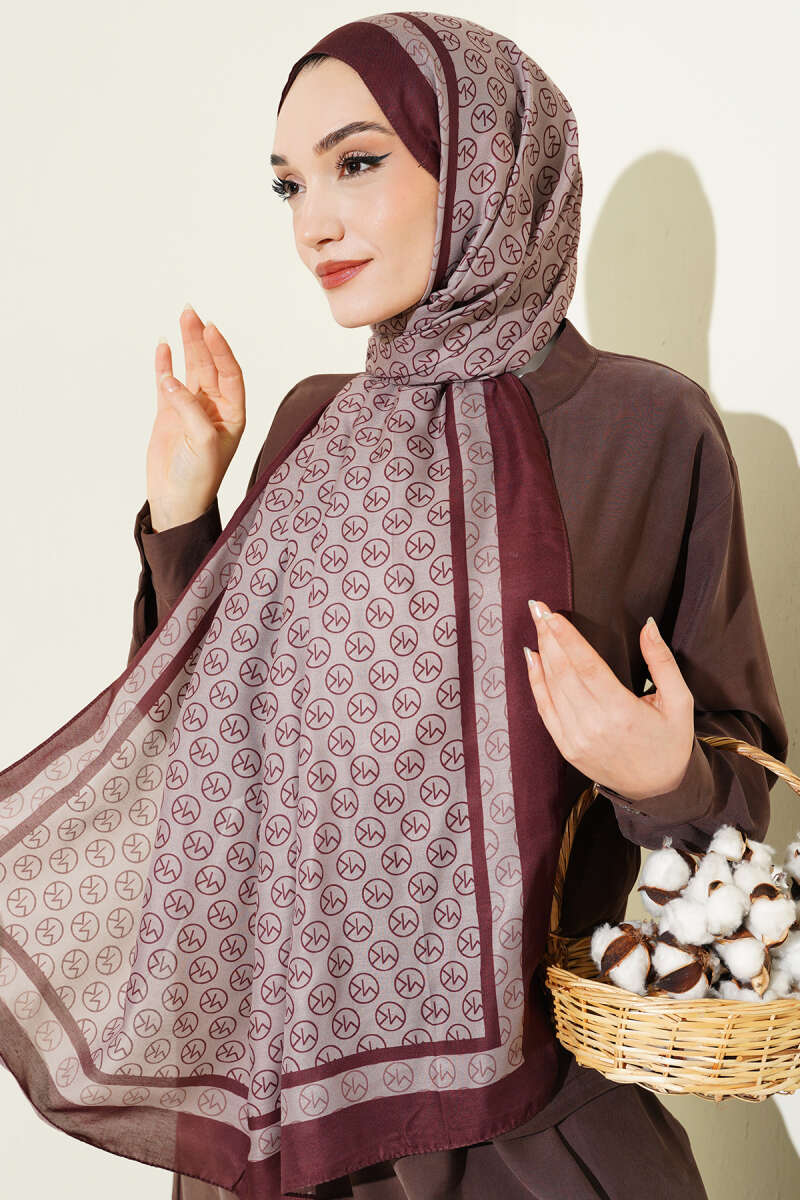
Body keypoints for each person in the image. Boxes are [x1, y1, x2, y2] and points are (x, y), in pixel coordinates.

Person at [0, 12, 788, 1200]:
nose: (312, 222)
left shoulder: (645, 426)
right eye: (288, 184)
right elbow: (209, 761)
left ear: (486, 166)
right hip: (295, 1132)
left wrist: (657, 772)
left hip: (533, 1134)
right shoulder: (314, 426)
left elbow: (738, 800)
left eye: (356, 163)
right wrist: (183, 511)